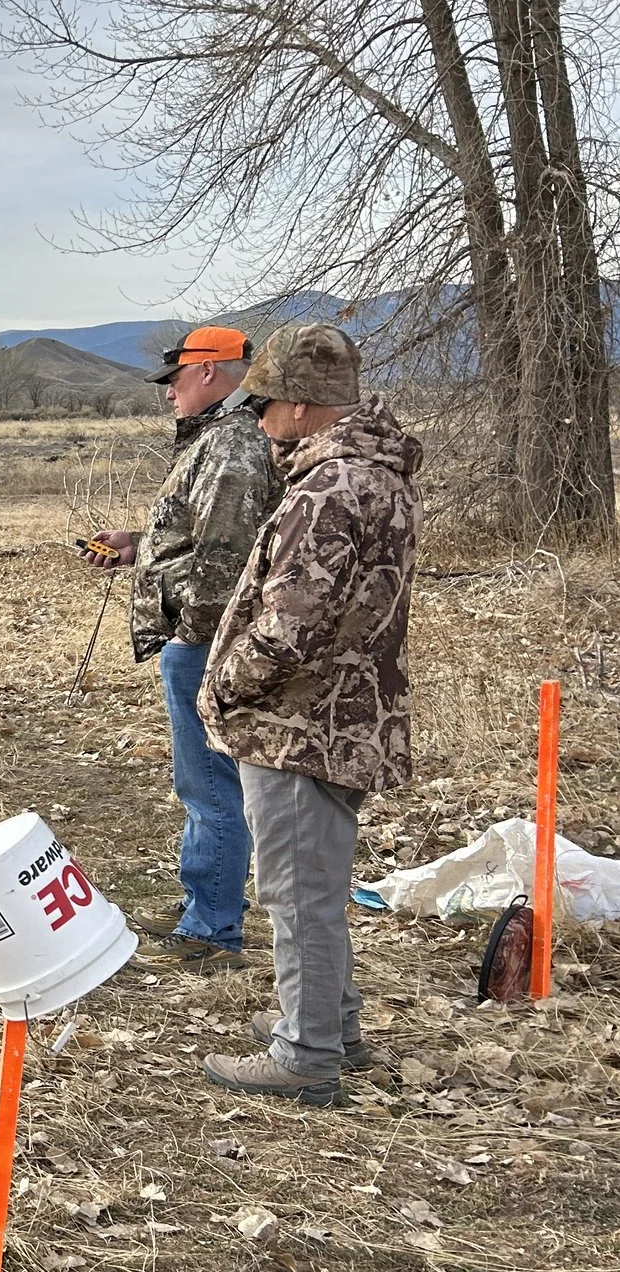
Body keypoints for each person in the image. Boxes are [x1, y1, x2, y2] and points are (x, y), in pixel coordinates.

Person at [195, 323, 419, 1106]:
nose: (258, 419)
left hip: (300, 724)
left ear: (298, 405)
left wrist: (226, 684)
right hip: (344, 717)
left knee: (295, 893)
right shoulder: (376, 476)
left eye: (265, 404)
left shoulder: (329, 491)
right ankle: (333, 1022)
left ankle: (307, 1051)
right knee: (316, 884)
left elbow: (290, 625)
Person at [83, 324, 277, 973]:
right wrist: (140, 546)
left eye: (174, 381)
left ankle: (212, 929)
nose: (168, 395)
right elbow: (200, 537)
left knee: (211, 786)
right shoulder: (220, 439)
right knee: (203, 784)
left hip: (206, 642)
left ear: (208, 373)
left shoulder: (234, 447)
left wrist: (186, 638)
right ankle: (207, 903)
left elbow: (223, 570)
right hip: (198, 639)